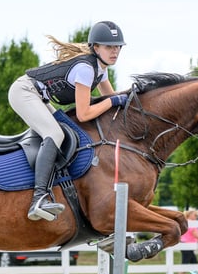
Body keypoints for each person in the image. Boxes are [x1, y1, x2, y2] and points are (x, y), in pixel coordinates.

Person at [8, 20, 128, 221]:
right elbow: (85, 113)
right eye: (109, 47)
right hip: (24, 92)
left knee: (69, 132)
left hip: (38, 96)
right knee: (55, 134)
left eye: (117, 47)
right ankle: (39, 197)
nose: (115, 51)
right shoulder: (86, 69)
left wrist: (131, 96)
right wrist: (114, 101)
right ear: (95, 48)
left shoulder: (101, 68)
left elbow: (111, 97)